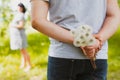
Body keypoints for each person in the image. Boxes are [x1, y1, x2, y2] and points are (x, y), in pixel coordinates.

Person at [30, 0, 120, 80]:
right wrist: (97, 40)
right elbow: (113, 15)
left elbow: (37, 20)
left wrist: (82, 40)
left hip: (63, 56)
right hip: (97, 55)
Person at [9, 3, 31, 72]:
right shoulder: (18, 15)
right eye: (17, 7)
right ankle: (23, 64)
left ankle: (29, 65)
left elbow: (21, 26)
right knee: (22, 51)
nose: (17, 8)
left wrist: (12, 25)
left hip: (20, 36)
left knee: (24, 51)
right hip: (18, 36)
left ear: (21, 8)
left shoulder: (21, 15)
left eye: (19, 7)